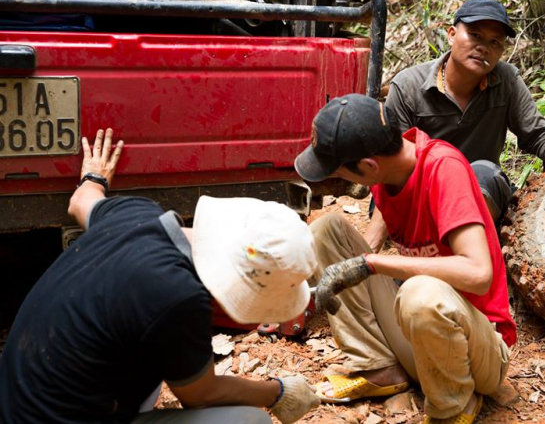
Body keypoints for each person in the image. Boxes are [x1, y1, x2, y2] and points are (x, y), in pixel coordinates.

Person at [0, 129, 320, 423]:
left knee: (158, 358)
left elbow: (82, 202)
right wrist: (277, 392)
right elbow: (201, 395)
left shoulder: (137, 214)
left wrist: (94, 177)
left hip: (18, 402)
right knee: (251, 421)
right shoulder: (178, 296)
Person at [294, 94, 515, 424]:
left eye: (341, 170)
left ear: (369, 165)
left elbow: (478, 272)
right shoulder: (389, 172)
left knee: (420, 293)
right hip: (423, 340)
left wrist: (373, 264)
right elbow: (367, 246)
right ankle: (379, 366)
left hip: (479, 352)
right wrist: (334, 271)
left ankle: (456, 405)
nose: (340, 178)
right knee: (326, 231)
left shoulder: (443, 169)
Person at [385, 0, 545, 225]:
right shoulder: (408, 86)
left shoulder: (506, 80)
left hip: (479, 191)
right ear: (451, 34)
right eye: (475, 35)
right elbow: (394, 160)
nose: (483, 47)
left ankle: (468, 247)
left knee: (484, 173)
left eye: (495, 42)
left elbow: (536, 133)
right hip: (419, 194)